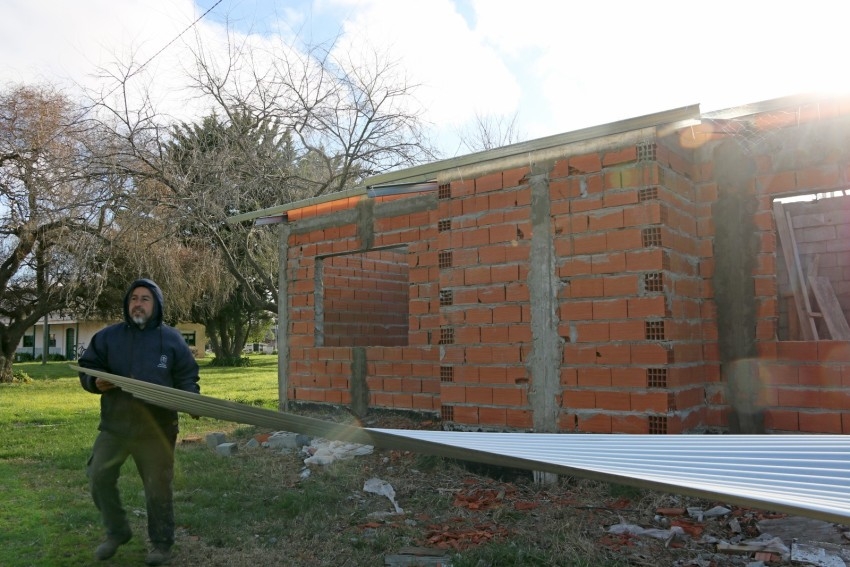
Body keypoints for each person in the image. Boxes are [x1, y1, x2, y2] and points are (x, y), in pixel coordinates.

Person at [79, 278, 200, 566]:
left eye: (145, 298)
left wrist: (191, 399)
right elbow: (88, 367)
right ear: (127, 303)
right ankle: (117, 531)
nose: (138, 303)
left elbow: (187, 377)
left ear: (156, 304)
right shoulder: (108, 337)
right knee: (98, 476)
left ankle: (161, 544)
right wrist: (94, 382)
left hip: (156, 428)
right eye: (134, 297)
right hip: (116, 426)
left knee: (158, 486)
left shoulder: (171, 339)